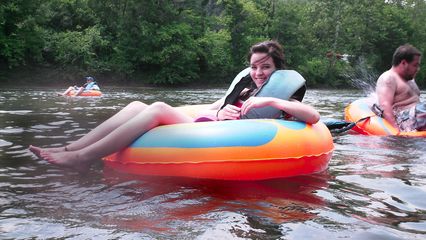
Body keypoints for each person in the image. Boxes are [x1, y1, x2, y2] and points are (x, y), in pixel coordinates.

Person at [30, 40, 320, 171]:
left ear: (277, 68)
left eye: (265, 67)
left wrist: (269, 100)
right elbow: (218, 105)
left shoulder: (283, 93)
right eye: (254, 66)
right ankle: (70, 148)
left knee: (156, 107)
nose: (258, 73)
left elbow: (313, 116)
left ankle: (84, 158)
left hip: (220, 138)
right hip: (209, 127)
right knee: (134, 105)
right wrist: (220, 111)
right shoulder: (244, 86)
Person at [375, 44, 426, 132]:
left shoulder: (410, 79)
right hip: (403, 118)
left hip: (417, 115)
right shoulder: (388, 78)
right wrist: (395, 130)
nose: (418, 69)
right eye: (415, 65)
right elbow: (385, 105)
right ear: (403, 63)